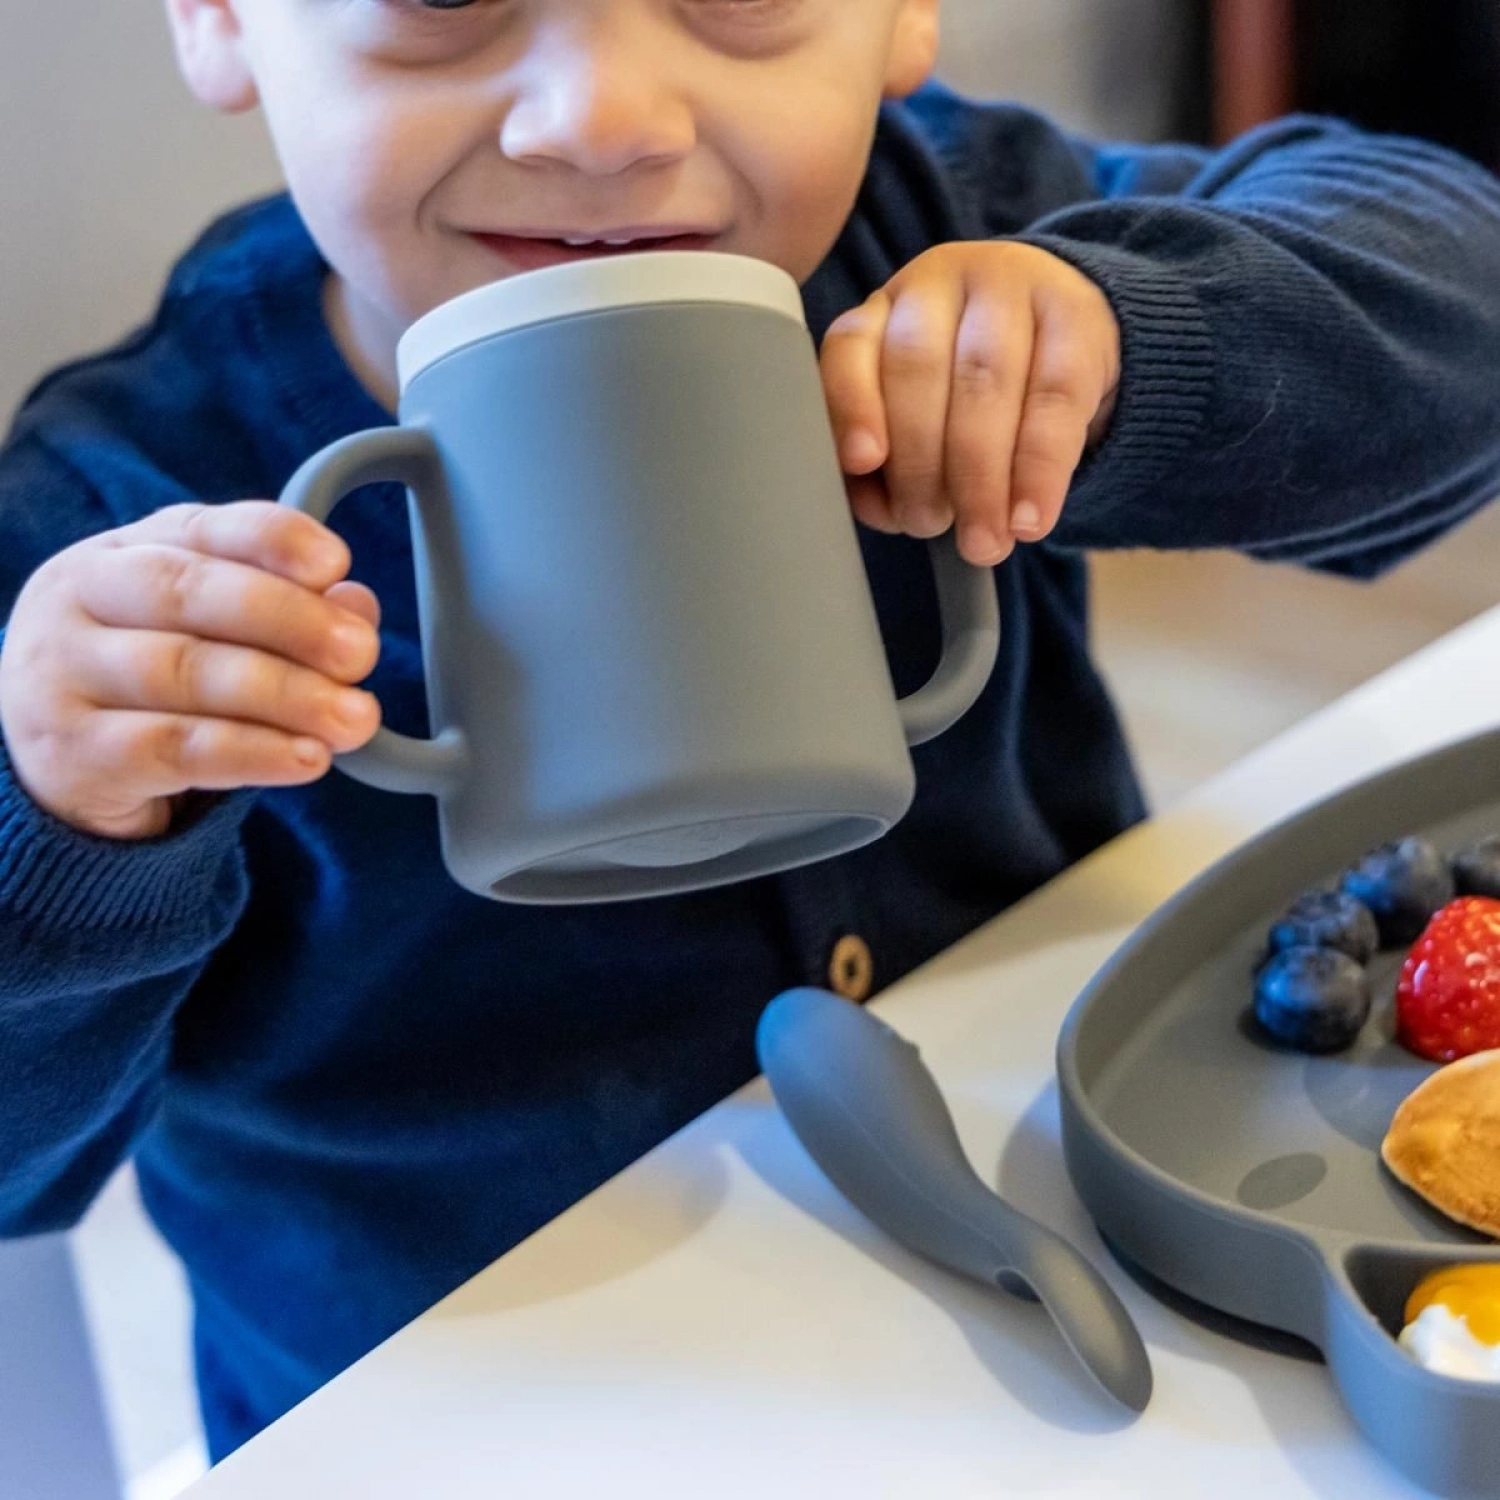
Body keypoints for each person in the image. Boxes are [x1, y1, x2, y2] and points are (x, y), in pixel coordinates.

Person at [2, 0, 1498, 1462]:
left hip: (1071, 1227)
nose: (600, 118)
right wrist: (65, 817)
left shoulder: (939, 222)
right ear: (214, 19)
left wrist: (1123, 345)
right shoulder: (122, 521)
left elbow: (1460, 283)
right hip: (494, 1398)